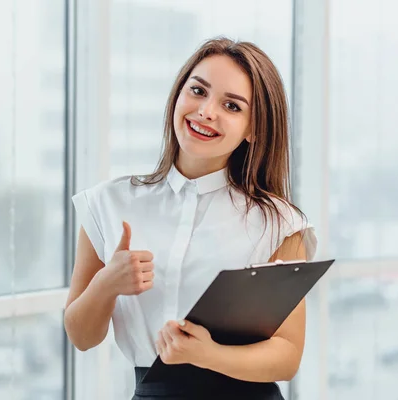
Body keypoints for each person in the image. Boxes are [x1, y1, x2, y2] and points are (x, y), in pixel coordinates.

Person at [64, 37, 317, 400]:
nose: (207, 111)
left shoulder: (280, 222)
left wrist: (207, 355)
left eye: (231, 105)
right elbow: (81, 336)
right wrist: (107, 283)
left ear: (253, 130)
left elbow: (288, 356)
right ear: (178, 94)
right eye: (198, 91)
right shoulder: (109, 203)